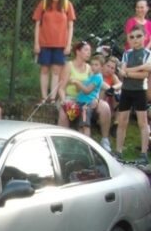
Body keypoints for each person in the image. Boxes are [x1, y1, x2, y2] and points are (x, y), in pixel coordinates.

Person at [32, 0, 76, 102]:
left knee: (56, 71)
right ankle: (43, 97)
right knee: (44, 69)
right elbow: (37, 24)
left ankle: (52, 98)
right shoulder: (44, 3)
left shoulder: (67, 4)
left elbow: (71, 26)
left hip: (61, 44)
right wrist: (36, 43)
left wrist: (68, 45)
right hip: (44, 43)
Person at [58, 41, 111, 144]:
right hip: (70, 97)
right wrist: (64, 100)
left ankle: (105, 140)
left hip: (87, 99)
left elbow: (96, 85)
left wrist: (97, 99)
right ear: (78, 52)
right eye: (86, 50)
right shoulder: (69, 66)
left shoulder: (90, 67)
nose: (89, 53)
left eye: (90, 50)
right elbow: (61, 88)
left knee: (105, 107)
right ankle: (63, 142)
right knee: (65, 111)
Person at [115, 26, 151, 165]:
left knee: (142, 122)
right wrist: (137, 69)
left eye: (138, 36)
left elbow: (144, 75)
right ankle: (118, 151)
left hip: (140, 91)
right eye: (132, 37)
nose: (135, 39)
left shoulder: (147, 53)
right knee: (122, 121)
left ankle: (143, 153)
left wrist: (128, 72)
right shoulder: (127, 53)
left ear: (145, 37)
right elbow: (121, 72)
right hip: (126, 90)